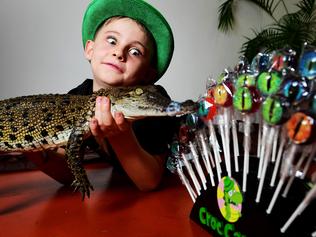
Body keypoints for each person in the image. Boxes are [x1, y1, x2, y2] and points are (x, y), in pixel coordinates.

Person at [25, 0, 177, 191]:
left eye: (135, 51)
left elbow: (149, 181)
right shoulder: (78, 98)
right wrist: (30, 145)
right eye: (112, 41)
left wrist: (120, 135)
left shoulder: (153, 101)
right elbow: (67, 173)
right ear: (90, 49)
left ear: (148, 75)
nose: (119, 53)